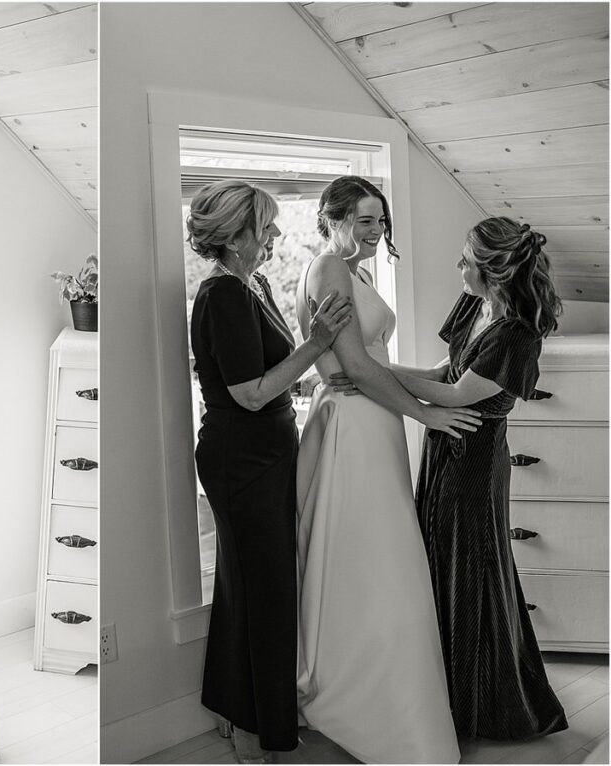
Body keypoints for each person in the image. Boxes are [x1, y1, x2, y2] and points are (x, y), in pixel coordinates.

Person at [294, 176, 480, 763]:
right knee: (371, 557)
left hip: (375, 420)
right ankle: (366, 701)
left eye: (382, 221)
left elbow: (374, 361)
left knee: (385, 553)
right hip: (353, 423)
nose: (378, 232)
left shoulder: (360, 272)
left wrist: (432, 374)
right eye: (366, 221)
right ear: (333, 219)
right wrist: (426, 413)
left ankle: (396, 695)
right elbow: (352, 364)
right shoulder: (328, 270)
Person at [187, 180, 353, 763]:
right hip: (242, 461)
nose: (276, 236)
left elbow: (277, 367)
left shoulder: (251, 285)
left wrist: (322, 371)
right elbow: (252, 394)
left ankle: (241, 712)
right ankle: (268, 734)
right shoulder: (221, 297)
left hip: (266, 454)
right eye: (267, 228)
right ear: (235, 238)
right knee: (268, 591)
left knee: (247, 588)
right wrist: (317, 345)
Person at [385, 217, 568, 739]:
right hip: (443, 450)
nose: (458, 266)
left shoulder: (516, 334)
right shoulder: (473, 305)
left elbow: (453, 396)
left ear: (493, 272)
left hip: (474, 466)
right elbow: (442, 373)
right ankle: (441, 693)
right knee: (443, 566)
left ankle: (476, 706)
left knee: (470, 574)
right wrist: (384, 368)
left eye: (466, 260)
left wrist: (371, 368)